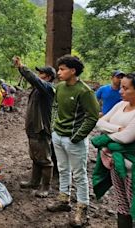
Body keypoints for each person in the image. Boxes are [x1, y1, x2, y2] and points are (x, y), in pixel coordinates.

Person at [46, 55, 99, 227]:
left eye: (62, 69)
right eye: (59, 69)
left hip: (74, 139)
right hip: (58, 135)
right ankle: (64, 200)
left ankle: (82, 209)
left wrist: (77, 136)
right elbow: (55, 106)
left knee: (80, 175)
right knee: (62, 169)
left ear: (73, 70)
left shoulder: (85, 91)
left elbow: (92, 117)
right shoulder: (60, 87)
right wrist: (54, 127)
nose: (59, 72)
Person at [92, 72, 135, 228]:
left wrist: (107, 139)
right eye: (121, 87)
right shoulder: (120, 105)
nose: (120, 91)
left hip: (130, 166)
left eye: (125, 88)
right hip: (116, 164)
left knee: (132, 202)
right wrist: (117, 128)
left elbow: (126, 138)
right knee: (121, 202)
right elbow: (99, 122)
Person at [13, 57, 55, 198]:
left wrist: (22, 67)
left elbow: (34, 80)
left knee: (45, 159)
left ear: (48, 77)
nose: (39, 75)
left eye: (42, 73)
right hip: (33, 128)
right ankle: (34, 182)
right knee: (35, 156)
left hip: (41, 129)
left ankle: (45, 187)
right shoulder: (38, 89)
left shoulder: (47, 88)